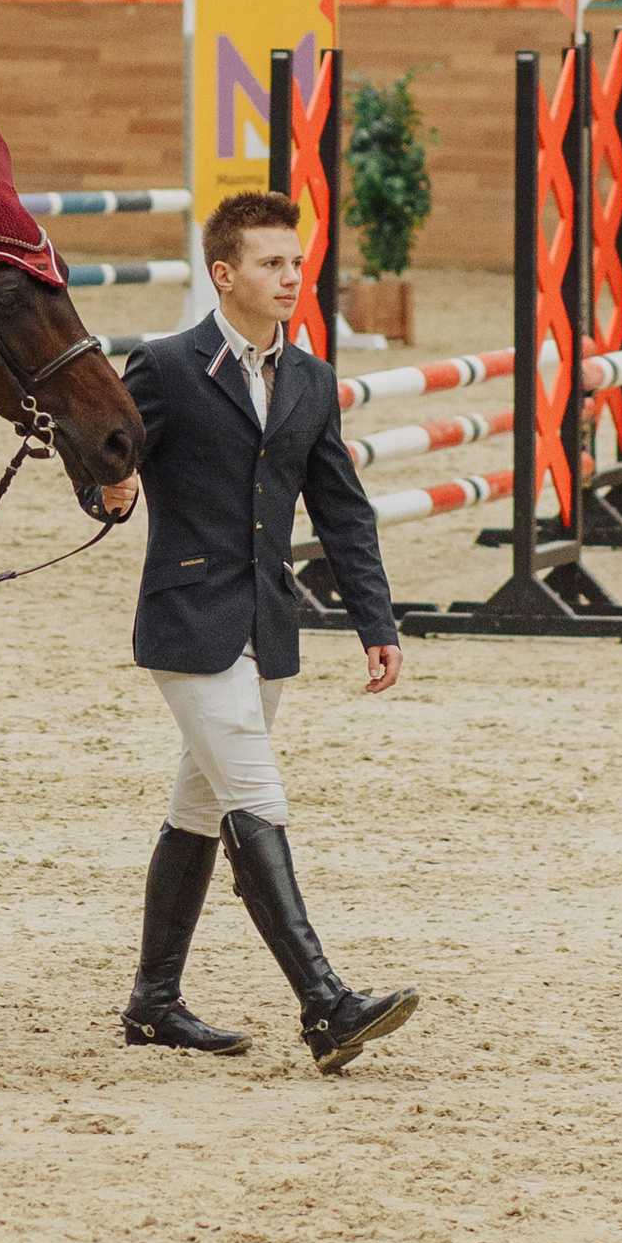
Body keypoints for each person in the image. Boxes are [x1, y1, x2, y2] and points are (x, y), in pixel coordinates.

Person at [96, 186, 419, 1073]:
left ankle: (153, 1002)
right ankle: (325, 1003)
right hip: (190, 619)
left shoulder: (311, 380)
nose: (291, 278)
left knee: (196, 811)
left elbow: (343, 511)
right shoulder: (162, 366)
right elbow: (110, 456)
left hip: (269, 627)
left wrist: (374, 621)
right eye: (273, 264)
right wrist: (107, 491)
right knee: (255, 800)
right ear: (224, 274)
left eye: (297, 263)